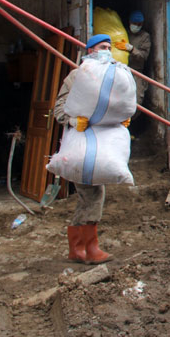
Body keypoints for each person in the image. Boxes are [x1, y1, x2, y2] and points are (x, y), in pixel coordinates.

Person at [54, 34, 121, 265]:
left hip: (101, 145)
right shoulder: (76, 76)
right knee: (92, 194)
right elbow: (59, 110)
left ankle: (77, 249)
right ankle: (91, 250)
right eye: (103, 47)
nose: (107, 51)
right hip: (81, 146)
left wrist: (120, 119)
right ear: (91, 51)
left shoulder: (110, 76)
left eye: (109, 48)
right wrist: (73, 121)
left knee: (87, 197)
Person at [117, 10, 151, 106]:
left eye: (139, 24)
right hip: (121, 70)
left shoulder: (145, 37)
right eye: (134, 23)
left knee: (136, 101)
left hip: (136, 72)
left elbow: (144, 56)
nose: (136, 26)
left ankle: (132, 120)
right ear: (129, 22)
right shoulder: (123, 33)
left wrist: (132, 49)